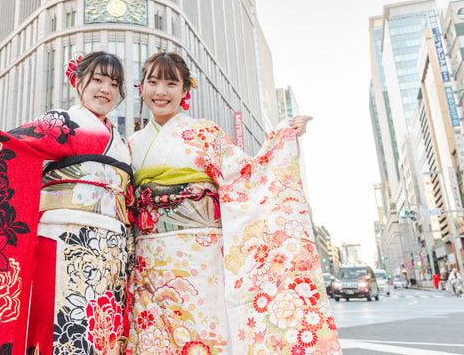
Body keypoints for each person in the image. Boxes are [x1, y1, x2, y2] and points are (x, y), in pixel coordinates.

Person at [126, 52, 340, 355]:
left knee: (201, 330)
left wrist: (283, 136)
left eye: (171, 83)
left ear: (185, 91)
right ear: (142, 87)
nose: (161, 91)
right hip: (149, 256)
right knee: (152, 335)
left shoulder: (205, 133)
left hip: (201, 256)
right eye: (153, 82)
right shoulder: (132, 144)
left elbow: (248, 178)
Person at [0, 52, 133, 355]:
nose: (106, 90)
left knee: (103, 333)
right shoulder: (62, 123)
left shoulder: (121, 142)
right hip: (63, 243)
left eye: (114, 83)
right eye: (97, 80)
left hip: (111, 249)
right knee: (60, 328)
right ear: (78, 82)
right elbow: (8, 145)